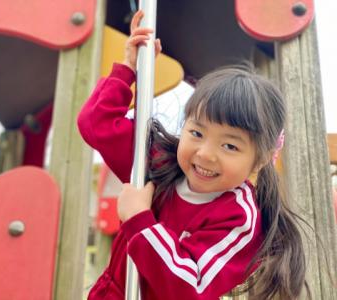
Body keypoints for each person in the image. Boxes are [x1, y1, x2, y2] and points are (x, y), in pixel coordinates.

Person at [77, 10, 307, 300]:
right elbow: (96, 124)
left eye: (230, 146)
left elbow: (190, 287)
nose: (205, 154)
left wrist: (139, 219)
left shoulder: (238, 218)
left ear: (260, 159)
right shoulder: (162, 163)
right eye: (197, 133)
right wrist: (128, 70)